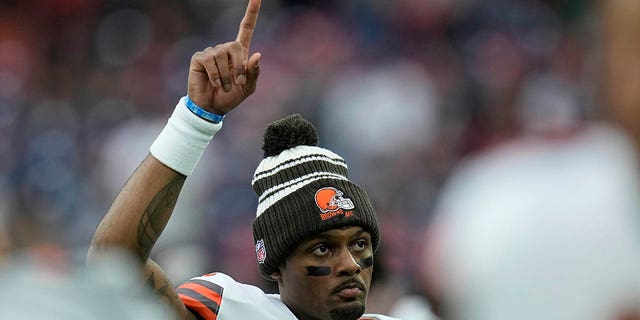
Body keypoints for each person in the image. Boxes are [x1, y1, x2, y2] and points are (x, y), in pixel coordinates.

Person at [86, 1, 397, 319]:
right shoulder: (234, 312)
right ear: (276, 264)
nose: (350, 265)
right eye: (322, 248)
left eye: (359, 244)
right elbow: (113, 262)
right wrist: (194, 122)